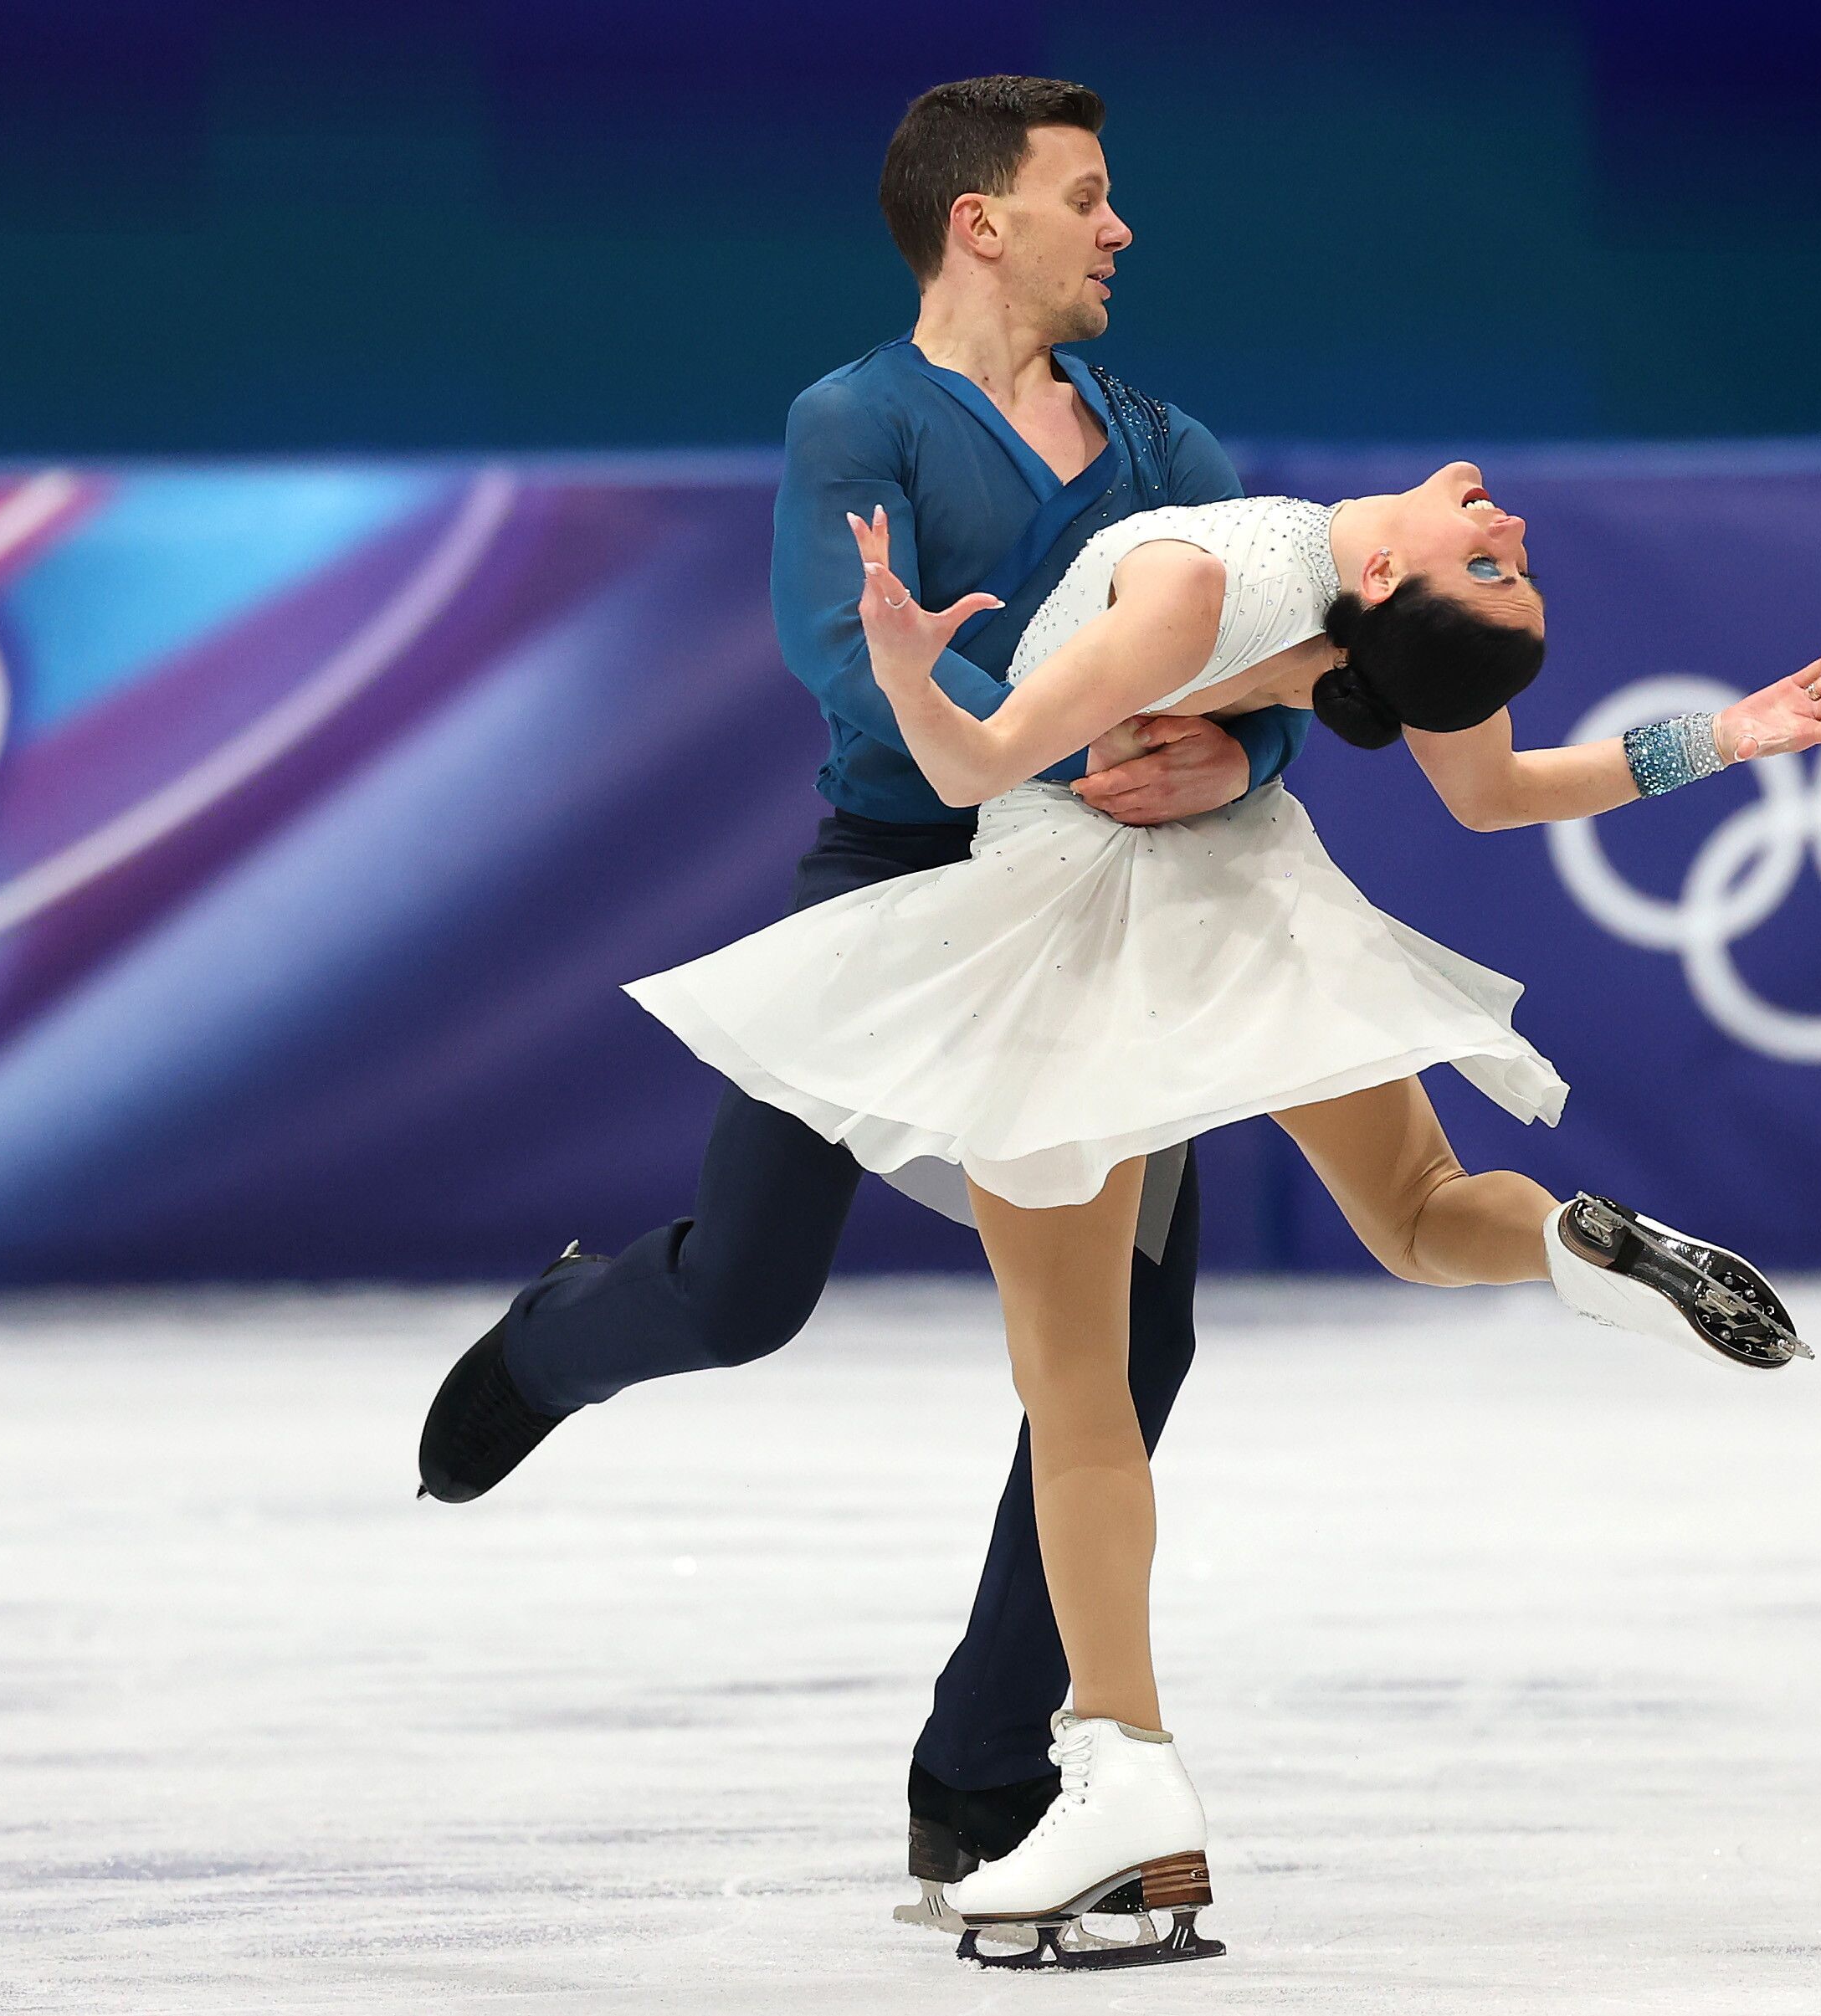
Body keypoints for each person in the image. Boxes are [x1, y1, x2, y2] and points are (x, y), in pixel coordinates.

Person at [622, 470, 1821, 1966]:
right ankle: (1565, 1242)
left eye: (1494, 563)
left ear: (1393, 582)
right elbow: (1493, 795)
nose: (1514, 531)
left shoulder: (1202, 587)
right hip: (1253, 887)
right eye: (1506, 561)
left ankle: (1125, 1784)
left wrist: (903, 667)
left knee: (1077, 1386)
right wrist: (1723, 738)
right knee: (1422, 1212)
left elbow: (975, 768)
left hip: (1073, 918)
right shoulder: (1364, 626)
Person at [413, 75, 1308, 1905]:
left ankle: (981, 1768)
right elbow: (843, 651)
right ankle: (557, 1335)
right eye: (1087, 196)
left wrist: (1249, 751)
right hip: (901, 882)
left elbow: (1281, 651)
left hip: (1101, 921)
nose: (1120, 227)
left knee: (1129, 1350)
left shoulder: (1168, 446)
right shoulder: (859, 420)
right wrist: (1058, 744)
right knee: (742, 1292)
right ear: (982, 222)